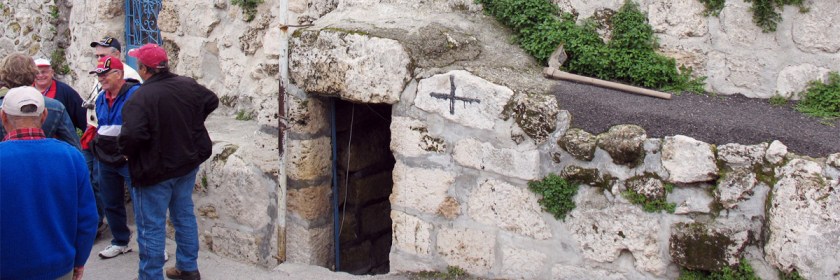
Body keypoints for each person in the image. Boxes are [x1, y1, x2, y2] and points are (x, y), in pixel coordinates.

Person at [120, 43, 218, 280]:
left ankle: (151, 276)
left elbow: (132, 135)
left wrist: (126, 153)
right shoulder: (187, 85)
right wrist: (191, 123)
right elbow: (211, 100)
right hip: (184, 163)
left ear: (143, 69)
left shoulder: (141, 97)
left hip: (155, 171)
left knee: (150, 226)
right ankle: (187, 267)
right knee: (183, 215)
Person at [0, 86, 98, 280]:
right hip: (59, 267)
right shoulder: (71, 157)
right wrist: (79, 260)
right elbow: (87, 219)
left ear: (3, 117)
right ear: (44, 115)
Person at [89, 55, 141, 259]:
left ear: (118, 74)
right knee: (110, 200)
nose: (100, 78)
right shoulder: (101, 97)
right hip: (106, 157)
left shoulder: (135, 94)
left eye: (104, 74)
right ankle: (120, 241)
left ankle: (152, 245)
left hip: (129, 156)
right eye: (98, 74)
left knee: (141, 202)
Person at [0, 53, 79, 148]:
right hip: (43, 158)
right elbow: (74, 147)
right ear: (34, 73)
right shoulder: (55, 107)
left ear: (3, 74)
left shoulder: (55, 106)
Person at [33, 57, 86, 130]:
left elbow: (82, 117)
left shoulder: (66, 91)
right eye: (36, 73)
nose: (40, 75)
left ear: (52, 72)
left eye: (44, 72)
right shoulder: (27, 92)